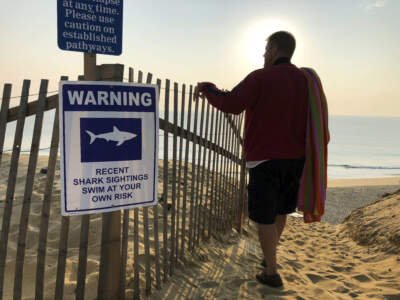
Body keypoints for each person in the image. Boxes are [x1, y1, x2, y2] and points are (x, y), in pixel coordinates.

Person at [195, 31, 315, 288]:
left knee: (264, 217)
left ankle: (271, 271)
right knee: (282, 211)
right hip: (296, 159)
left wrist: (207, 88)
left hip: (265, 160)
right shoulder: (306, 81)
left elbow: (232, 103)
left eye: (265, 49)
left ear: (273, 49)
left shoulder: (261, 77)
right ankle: (270, 258)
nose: (263, 54)